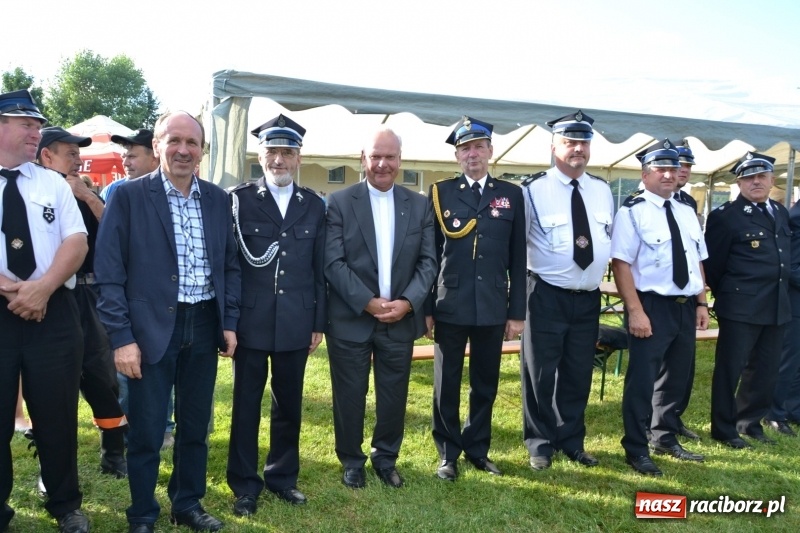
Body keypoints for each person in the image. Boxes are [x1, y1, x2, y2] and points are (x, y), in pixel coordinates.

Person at [95, 111, 241, 533]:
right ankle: (143, 513)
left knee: (195, 428)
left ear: (202, 150)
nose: (183, 150)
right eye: (174, 140)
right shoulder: (128, 196)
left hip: (203, 323)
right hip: (149, 330)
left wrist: (229, 321)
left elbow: (229, 265)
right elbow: (109, 271)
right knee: (146, 432)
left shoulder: (217, 199)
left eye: (192, 142)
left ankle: (187, 504)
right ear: (157, 145)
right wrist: (122, 338)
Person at [324, 127, 436, 489]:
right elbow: (333, 262)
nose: (382, 164)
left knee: (393, 395)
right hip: (351, 318)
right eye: (375, 156)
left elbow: (429, 262)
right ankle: (351, 460)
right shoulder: (339, 202)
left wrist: (408, 302)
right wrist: (367, 302)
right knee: (349, 395)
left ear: (400, 160)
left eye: (390, 157)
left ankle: (386, 458)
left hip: (399, 319)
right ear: (363, 159)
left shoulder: (419, 205)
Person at [226, 115, 326, 513]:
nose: (279, 160)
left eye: (287, 152)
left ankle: (283, 477)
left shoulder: (314, 205)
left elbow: (318, 269)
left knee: (289, 405)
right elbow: (230, 267)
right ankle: (244, 484)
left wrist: (317, 322)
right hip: (250, 321)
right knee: (245, 405)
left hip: (296, 320)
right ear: (260, 155)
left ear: (299, 158)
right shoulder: (239, 200)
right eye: (272, 151)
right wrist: (228, 322)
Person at [0, 90, 90, 532]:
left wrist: (42, 289)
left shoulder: (52, 183)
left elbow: (76, 241)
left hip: (53, 312)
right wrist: (15, 291)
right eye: (26, 124)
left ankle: (65, 503)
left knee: (57, 415)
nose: (36, 132)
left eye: (37, 125)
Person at [426, 117, 526, 481]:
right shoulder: (440, 193)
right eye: (465, 148)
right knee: (447, 383)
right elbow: (429, 255)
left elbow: (518, 256)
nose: (473, 154)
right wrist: (426, 308)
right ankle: (448, 453)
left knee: (486, 382)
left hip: (492, 304)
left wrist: (517, 312)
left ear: (490, 151)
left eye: (479, 147)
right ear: (457, 156)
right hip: (449, 303)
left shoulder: (511, 194)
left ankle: (478, 448)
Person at [520, 111, 614, 471]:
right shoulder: (532, 190)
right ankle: (540, 442)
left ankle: (571, 440)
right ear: (554, 147)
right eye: (569, 142)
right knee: (540, 373)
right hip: (545, 294)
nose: (578, 148)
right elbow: (517, 247)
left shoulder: (602, 190)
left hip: (587, 297)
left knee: (578, 372)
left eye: (583, 142)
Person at [36, 127, 129, 481]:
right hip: (48, 296)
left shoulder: (85, 193)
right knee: (51, 386)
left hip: (88, 296)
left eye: (79, 153)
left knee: (102, 375)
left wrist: (89, 197)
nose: (78, 160)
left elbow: (118, 236)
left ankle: (114, 453)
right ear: (47, 156)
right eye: (70, 153)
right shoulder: (32, 193)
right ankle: (52, 467)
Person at [611, 139, 709, 476]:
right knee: (643, 380)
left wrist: (701, 302)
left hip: (685, 305)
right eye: (660, 169)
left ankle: (664, 437)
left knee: (675, 377)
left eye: (673, 168)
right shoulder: (632, 211)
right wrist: (635, 311)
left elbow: (696, 260)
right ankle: (636, 447)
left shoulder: (686, 211)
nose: (669, 174)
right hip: (651, 305)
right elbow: (621, 264)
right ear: (645, 174)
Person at [705, 152, 791, 449]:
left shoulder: (779, 211)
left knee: (765, 369)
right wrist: (731, 295)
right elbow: (714, 266)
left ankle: (750, 422)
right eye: (749, 177)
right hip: (741, 305)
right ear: (739, 182)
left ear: (771, 180)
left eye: (761, 176)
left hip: (775, 303)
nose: (756, 182)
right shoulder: (725, 216)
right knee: (730, 369)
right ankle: (724, 429)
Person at [104, 129, 175, 450]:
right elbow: (108, 246)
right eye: (124, 155)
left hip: (169, 303)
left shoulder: (182, 194)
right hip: (130, 303)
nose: (126, 161)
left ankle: (164, 427)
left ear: (154, 155)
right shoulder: (117, 190)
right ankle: (130, 433)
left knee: (164, 370)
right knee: (128, 372)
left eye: (133, 155)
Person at [672, 140, 702, 441]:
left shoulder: (689, 203)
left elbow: (696, 255)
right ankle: (652, 420)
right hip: (656, 297)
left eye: (687, 165)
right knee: (658, 365)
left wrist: (702, 301)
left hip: (687, 295)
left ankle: (673, 417)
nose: (682, 170)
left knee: (684, 364)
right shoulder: (638, 202)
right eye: (678, 164)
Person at [764, 196, 800, 437]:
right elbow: (792, 266)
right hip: (795, 302)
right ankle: (773, 413)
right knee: (788, 361)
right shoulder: (798, 218)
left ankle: (792, 409)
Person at [100, 129, 159, 205]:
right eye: (123, 157)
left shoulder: (170, 189)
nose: (125, 163)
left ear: (154, 158)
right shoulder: (111, 190)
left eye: (131, 157)